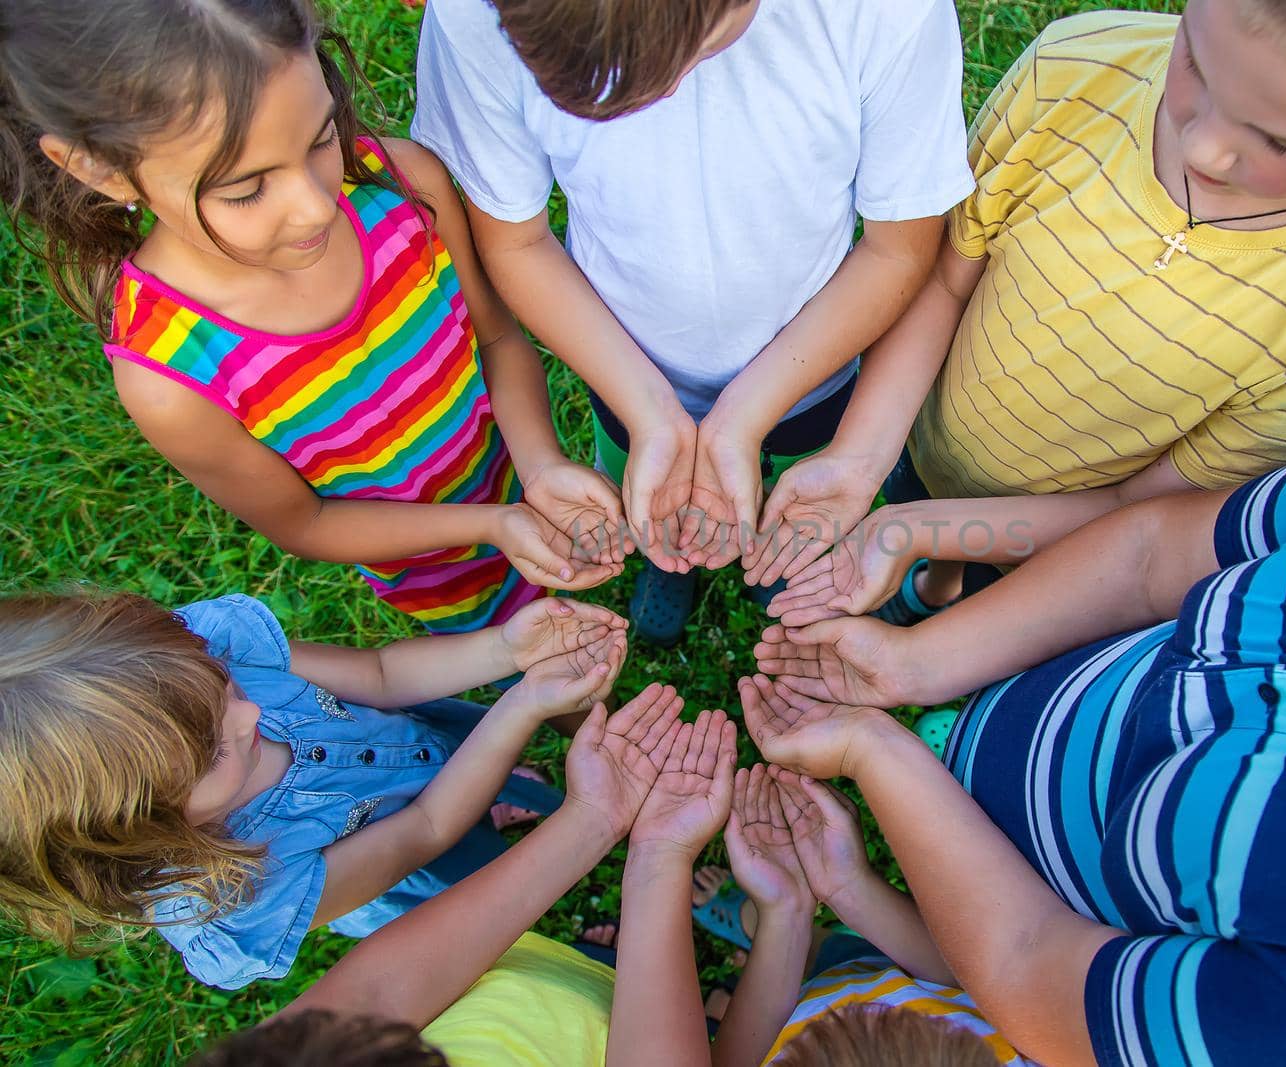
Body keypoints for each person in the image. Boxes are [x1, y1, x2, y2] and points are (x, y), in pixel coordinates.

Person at [747, 383, 1286, 1063]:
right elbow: (1152, 551)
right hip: (1036, 714)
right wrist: (920, 665)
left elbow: (1029, 959)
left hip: (1021, 909)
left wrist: (882, 754)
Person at [758, 0, 1286, 623]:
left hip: (1056, 530)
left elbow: (1139, 518)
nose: (1202, 147)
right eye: (1195, 61)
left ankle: (940, 589)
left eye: (1283, 142)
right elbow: (945, 281)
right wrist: (863, 461)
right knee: (912, 496)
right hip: (916, 421)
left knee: (965, 578)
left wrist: (928, 535)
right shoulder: (1077, 68)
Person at [0, 0, 626, 637]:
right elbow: (307, 522)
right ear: (98, 168)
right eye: (246, 188)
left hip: (512, 467)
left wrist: (541, 467)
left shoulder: (404, 184)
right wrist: (491, 526)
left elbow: (494, 337)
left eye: (322, 138)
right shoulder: (169, 379)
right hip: (432, 565)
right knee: (534, 661)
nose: (314, 208)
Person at [410, 0, 974, 644]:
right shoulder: (474, 15)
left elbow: (898, 249)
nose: (663, 99)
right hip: (620, 361)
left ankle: (773, 559)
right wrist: (649, 412)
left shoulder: (887, 14)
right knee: (652, 496)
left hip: (819, 363)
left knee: (795, 493)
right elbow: (514, 243)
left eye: (686, 60)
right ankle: (665, 554)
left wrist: (746, 416)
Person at [0, 590, 626, 989]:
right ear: (134, 833)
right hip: (425, 862)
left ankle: (497, 788)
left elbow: (380, 674)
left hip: (419, 750)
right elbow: (426, 830)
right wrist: (519, 709)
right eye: (216, 751)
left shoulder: (191, 653)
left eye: (227, 687)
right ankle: (571, 953)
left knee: (477, 773)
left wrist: (503, 649)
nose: (250, 719)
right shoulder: (238, 897)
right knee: (511, 896)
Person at [185, 685, 689, 1067]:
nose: (251, 713)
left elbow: (375, 996)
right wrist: (660, 857)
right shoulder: (238, 899)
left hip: (512, 976)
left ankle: (602, 964)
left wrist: (594, 818)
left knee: (573, 970)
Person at [609, 727, 1028, 1066]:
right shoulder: (1050, 1048)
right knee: (838, 954)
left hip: (776, 1015)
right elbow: (979, 984)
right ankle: (800, 940)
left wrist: (783, 916)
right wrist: (849, 888)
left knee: (821, 962)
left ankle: (769, 949)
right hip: (903, 965)